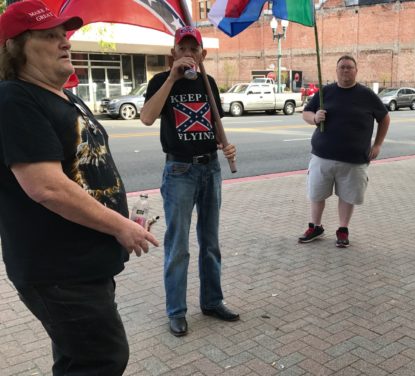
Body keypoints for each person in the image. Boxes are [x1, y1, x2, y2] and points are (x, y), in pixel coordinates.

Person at [0, 1, 159, 374]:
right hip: (58, 270)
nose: (65, 42)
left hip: (84, 264)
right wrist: (120, 225)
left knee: (76, 361)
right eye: (49, 36)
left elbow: (84, 169)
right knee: (102, 359)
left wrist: (122, 215)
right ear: (15, 48)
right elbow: (47, 187)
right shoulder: (14, 98)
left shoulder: (63, 95)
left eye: (65, 34)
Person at [140, 26, 239, 337]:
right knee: (178, 246)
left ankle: (212, 301)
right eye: (181, 49)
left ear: (202, 54)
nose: (187, 54)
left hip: (210, 168)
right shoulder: (160, 81)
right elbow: (146, 117)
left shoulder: (208, 82)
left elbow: (214, 120)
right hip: (179, 171)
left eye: (192, 49)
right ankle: (176, 311)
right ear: (173, 54)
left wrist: (225, 144)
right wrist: (171, 77)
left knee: (210, 243)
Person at [300, 55, 390, 248]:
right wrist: (315, 117)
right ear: (336, 70)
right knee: (316, 194)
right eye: (342, 67)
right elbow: (306, 113)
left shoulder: (367, 95)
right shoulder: (326, 92)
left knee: (348, 196)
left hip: (354, 158)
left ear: (356, 71)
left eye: (349, 67)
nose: (345, 70)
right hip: (322, 156)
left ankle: (343, 229)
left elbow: (384, 118)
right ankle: (315, 226)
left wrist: (378, 145)